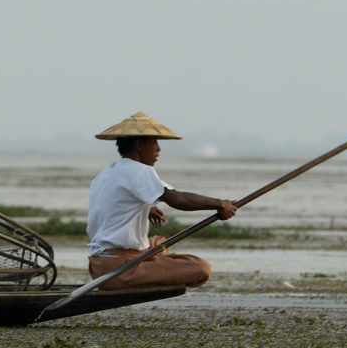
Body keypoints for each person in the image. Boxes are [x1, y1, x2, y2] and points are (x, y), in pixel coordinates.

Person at [87, 112, 237, 289]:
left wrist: (145, 208)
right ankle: (146, 267)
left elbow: (113, 204)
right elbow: (177, 199)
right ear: (139, 145)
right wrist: (219, 204)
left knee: (158, 243)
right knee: (201, 268)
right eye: (154, 143)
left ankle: (151, 262)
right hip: (118, 270)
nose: (158, 149)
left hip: (99, 264)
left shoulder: (106, 173)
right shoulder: (139, 171)